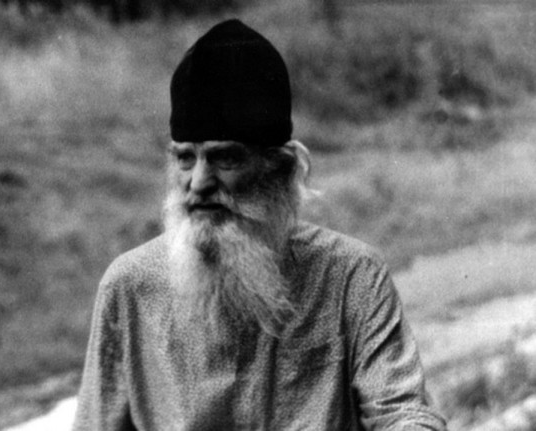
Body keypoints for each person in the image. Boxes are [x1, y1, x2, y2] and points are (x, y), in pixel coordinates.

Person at [73, 19, 447, 431]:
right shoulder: (129, 287)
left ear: (280, 170)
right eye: (185, 158)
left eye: (225, 158)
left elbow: (403, 412)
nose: (198, 182)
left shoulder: (351, 276)